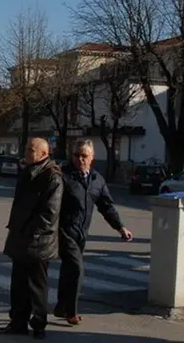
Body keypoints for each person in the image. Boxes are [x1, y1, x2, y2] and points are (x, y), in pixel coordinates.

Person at [54, 138, 133, 324]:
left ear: (92, 157)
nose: (80, 159)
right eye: (76, 155)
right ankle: (71, 312)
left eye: (84, 156)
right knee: (76, 268)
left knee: (68, 270)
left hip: (81, 233)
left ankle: (60, 306)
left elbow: (106, 206)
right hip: (63, 230)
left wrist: (120, 227)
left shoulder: (97, 180)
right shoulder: (62, 175)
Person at [0, 137, 63, 340]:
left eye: (30, 150)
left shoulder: (52, 177)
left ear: (43, 154)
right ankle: (17, 323)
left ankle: (39, 325)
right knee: (18, 286)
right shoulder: (28, 172)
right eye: (26, 149)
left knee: (37, 286)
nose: (25, 153)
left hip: (38, 242)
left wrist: (32, 234)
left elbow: (49, 214)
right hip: (21, 238)